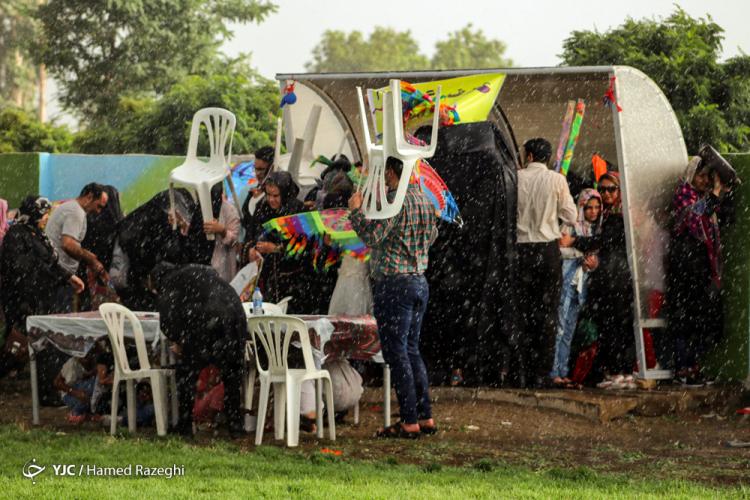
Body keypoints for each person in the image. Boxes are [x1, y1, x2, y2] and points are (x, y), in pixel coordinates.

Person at [349, 156, 438, 439]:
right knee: (411, 349)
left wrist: (356, 212)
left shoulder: (393, 200)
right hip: (419, 282)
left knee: (397, 353)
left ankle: (409, 420)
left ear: (390, 170)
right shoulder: (425, 199)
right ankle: (425, 417)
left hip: (394, 284)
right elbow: (432, 235)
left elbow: (374, 237)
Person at [152, 262, 245, 438]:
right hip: (235, 312)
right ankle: (235, 426)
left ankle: (185, 426)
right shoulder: (194, 274)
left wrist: (180, 339)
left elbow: (166, 324)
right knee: (232, 373)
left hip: (207, 317)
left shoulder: (170, 284)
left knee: (186, 373)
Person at [562, 172, 635, 388]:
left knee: (615, 324)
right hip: (608, 277)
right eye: (602, 189)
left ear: (620, 190)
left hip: (617, 278)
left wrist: (575, 241)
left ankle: (618, 370)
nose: (605, 194)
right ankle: (617, 370)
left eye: (611, 189)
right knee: (612, 325)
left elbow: (605, 240)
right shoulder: (609, 215)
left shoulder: (620, 216)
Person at [515, 138, 577, 388]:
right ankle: (542, 373)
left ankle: (522, 372)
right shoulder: (557, 180)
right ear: (547, 157)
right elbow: (571, 215)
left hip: (520, 252)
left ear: (529, 155)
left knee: (522, 312)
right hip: (547, 252)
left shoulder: (515, 178)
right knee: (548, 314)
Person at [666, 157, 733, 385]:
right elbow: (697, 216)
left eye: (708, 176)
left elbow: (720, 213)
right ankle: (682, 368)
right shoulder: (683, 194)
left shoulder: (703, 197)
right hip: (684, 266)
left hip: (700, 268)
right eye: (701, 175)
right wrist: (715, 192)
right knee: (684, 319)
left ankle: (692, 367)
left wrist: (722, 189)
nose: (704, 180)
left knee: (701, 319)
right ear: (691, 174)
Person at [550, 189, 602, 387]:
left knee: (569, 328)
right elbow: (561, 248)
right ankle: (554, 371)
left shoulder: (594, 230)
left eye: (597, 208)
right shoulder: (571, 225)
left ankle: (563, 372)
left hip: (581, 283)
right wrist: (580, 253)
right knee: (560, 327)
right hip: (567, 280)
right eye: (589, 207)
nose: (593, 212)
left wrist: (592, 262)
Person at [243, 171, 307, 307]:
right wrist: (251, 249)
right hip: (265, 279)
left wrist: (276, 248)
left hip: (291, 281)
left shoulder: (297, 210)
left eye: (276, 195)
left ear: (285, 193)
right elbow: (250, 235)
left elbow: (304, 247)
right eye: (268, 195)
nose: (271, 199)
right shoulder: (262, 208)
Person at [45, 183, 109, 312]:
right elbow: (68, 244)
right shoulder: (76, 212)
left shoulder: (70, 207)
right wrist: (91, 259)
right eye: (98, 206)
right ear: (90, 197)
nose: (98, 211)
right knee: (59, 323)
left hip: (54, 272)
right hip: (59, 276)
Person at [203, 186, 241, 282]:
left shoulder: (230, 211)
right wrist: (183, 224)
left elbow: (235, 243)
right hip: (203, 261)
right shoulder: (200, 208)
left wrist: (222, 231)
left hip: (222, 268)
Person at [54, 351, 97, 423]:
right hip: (69, 394)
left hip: (80, 390)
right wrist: (75, 392)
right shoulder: (72, 364)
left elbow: (85, 375)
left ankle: (82, 413)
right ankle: (74, 414)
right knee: (88, 394)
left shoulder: (90, 361)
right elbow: (57, 382)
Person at [241, 146, 274, 226]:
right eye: (255, 169)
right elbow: (246, 222)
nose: (257, 173)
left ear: (272, 168)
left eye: (261, 169)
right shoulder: (252, 191)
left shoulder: (277, 196)